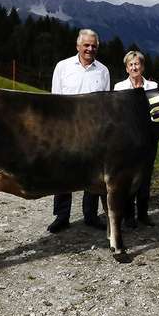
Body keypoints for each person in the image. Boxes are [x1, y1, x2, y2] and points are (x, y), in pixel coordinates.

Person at [47, 29, 110, 233]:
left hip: (93, 129)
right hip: (66, 127)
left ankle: (90, 215)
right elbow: (54, 99)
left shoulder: (103, 71)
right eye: (86, 45)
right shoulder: (63, 67)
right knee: (63, 170)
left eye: (94, 46)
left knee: (92, 173)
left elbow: (105, 102)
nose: (90, 49)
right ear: (78, 46)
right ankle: (62, 216)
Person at [113, 50, 158, 228]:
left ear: (142, 66)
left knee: (145, 178)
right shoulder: (119, 87)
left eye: (137, 64)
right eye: (131, 64)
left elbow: (157, 111)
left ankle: (143, 214)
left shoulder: (152, 86)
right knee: (128, 178)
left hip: (148, 140)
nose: (134, 67)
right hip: (127, 141)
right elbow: (116, 115)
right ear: (126, 68)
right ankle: (129, 216)